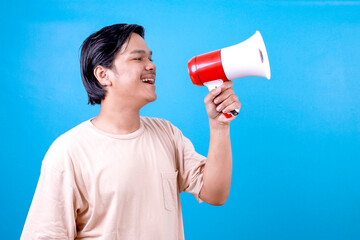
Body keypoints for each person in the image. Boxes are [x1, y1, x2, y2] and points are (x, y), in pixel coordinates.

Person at [21, 23, 241, 240]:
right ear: (103, 75)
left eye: (150, 58)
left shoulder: (167, 134)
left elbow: (215, 193)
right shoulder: (68, 152)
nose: (152, 66)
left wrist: (219, 126)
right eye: (138, 58)